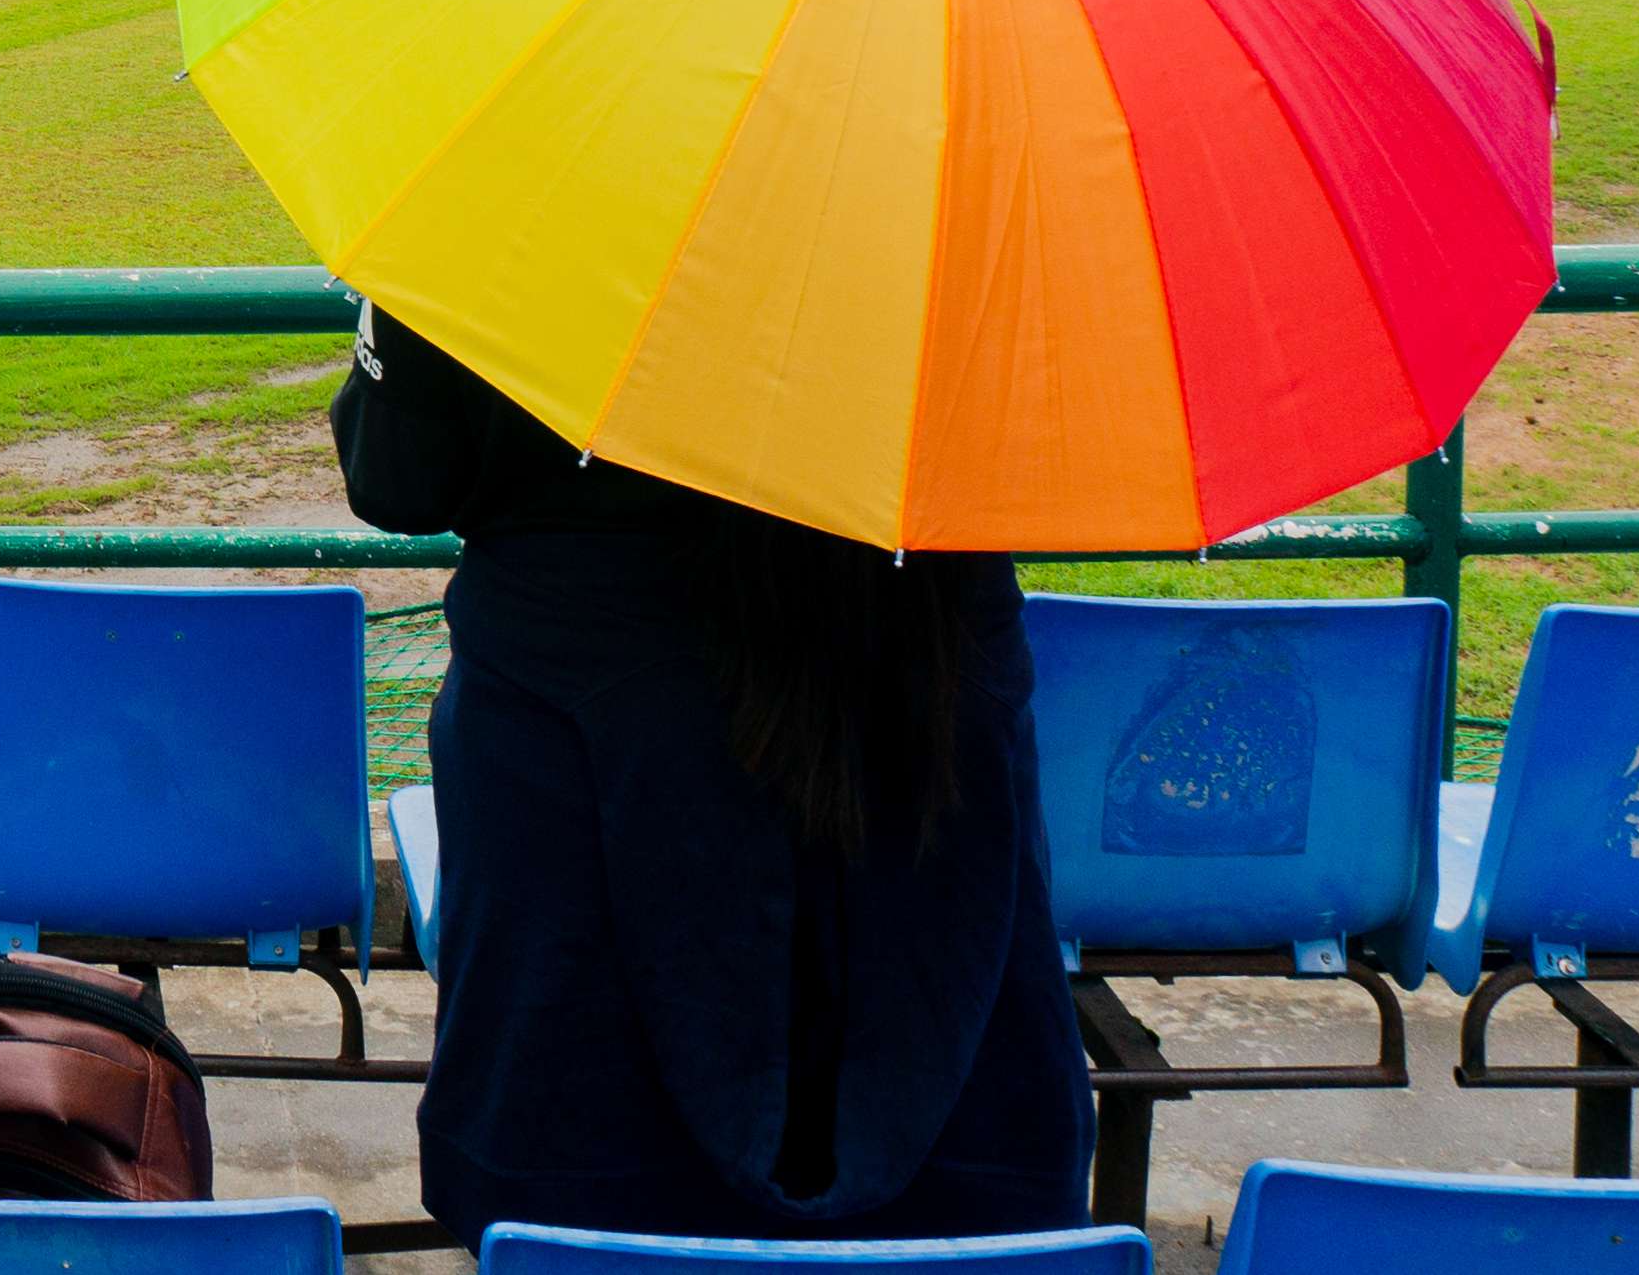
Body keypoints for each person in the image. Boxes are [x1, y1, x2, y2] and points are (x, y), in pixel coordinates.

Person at [333, 300, 1089, 1246]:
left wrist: (386, 299)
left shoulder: (516, 191)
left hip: (584, 768)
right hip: (924, 720)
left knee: (572, 1211)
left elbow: (397, 476)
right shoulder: (985, 183)